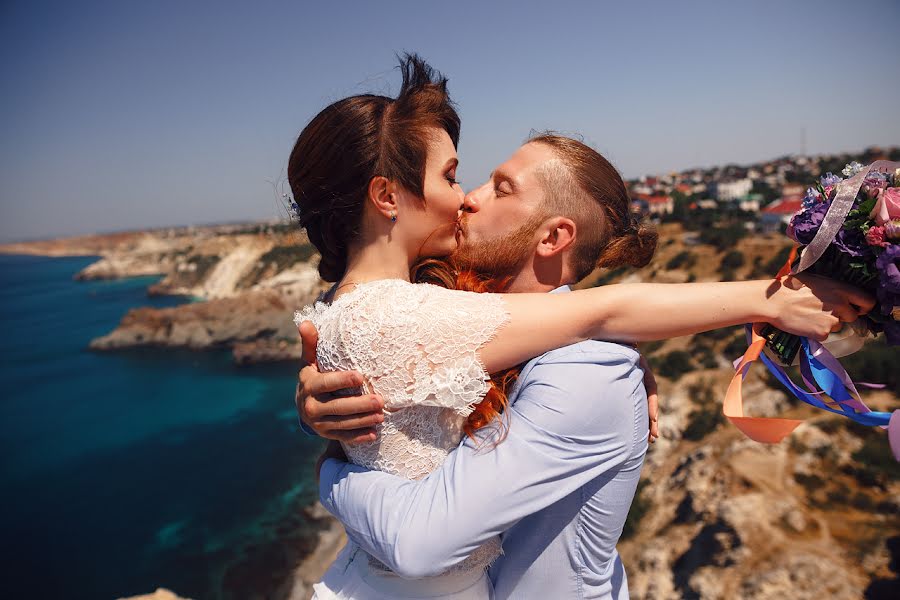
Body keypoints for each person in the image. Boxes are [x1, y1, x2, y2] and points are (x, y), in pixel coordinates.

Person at [288, 54, 871, 599]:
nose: (466, 200)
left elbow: (419, 543)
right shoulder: (438, 303)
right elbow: (373, 327)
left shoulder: (586, 371)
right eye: (460, 177)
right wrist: (321, 403)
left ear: (552, 237)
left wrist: (334, 473)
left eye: (499, 187)